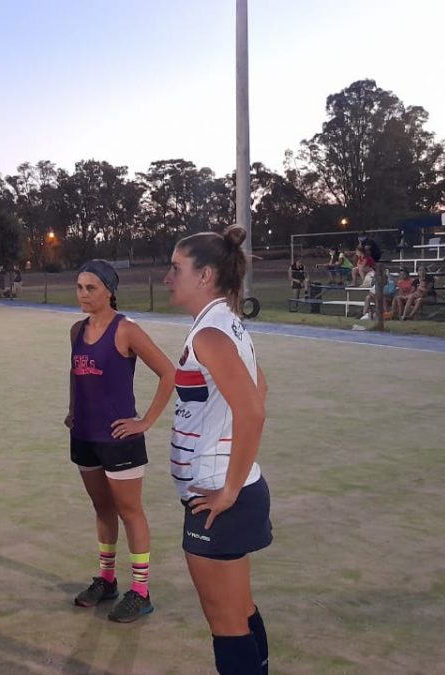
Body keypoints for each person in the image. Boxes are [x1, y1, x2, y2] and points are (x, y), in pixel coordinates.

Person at [163, 226, 271, 675]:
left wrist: (226, 490)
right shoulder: (225, 323)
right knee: (240, 610)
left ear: (204, 275)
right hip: (231, 490)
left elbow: (253, 411)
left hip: (219, 499)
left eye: (175, 268)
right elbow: (260, 388)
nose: (168, 277)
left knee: (226, 624)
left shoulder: (211, 334)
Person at [66, 260, 176, 623]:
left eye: (91, 288)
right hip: (84, 435)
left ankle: (141, 591)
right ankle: (108, 580)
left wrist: (145, 421)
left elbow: (168, 373)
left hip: (118, 438)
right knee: (102, 509)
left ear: (109, 290)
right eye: (80, 287)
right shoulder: (76, 330)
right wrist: (72, 409)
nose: (83, 294)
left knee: (130, 511)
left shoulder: (126, 330)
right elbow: (75, 373)